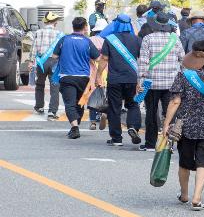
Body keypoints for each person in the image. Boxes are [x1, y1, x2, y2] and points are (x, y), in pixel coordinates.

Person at [160, 38, 204, 210]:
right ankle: (197, 197)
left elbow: (175, 101)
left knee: (185, 162)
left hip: (186, 126)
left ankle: (184, 194)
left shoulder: (183, 76)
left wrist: (167, 124)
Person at [137, 12, 183, 150]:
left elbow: (143, 62)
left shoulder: (147, 39)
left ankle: (150, 143)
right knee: (170, 113)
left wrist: (140, 81)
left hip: (151, 83)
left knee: (151, 112)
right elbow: (183, 59)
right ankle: (169, 142)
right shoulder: (175, 39)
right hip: (171, 83)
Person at [99, 14, 143, 149]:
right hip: (132, 79)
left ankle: (116, 138)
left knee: (114, 108)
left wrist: (98, 75)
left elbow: (104, 59)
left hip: (114, 80)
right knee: (133, 104)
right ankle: (133, 127)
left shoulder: (110, 39)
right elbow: (141, 60)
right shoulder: (137, 40)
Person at [48, 17, 95, 139]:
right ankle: (75, 125)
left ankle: (74, 127)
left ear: (73, 27)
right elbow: (97, 57)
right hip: (83, 77)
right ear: (85, 27)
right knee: (80, 103)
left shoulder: (64, 40)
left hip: (67, 76)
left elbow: (54, 56)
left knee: (70, 104)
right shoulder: (87, 41)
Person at [32, 12, 63, 119]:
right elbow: (61, 50)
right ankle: (52, 111)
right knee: (55, 86)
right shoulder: (59, 33)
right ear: (55, 22)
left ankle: (39, 107)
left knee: (40, 84)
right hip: (54, 61)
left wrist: (31, 62)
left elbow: (34, 47)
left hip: (42, 61)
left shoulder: (38, 32)